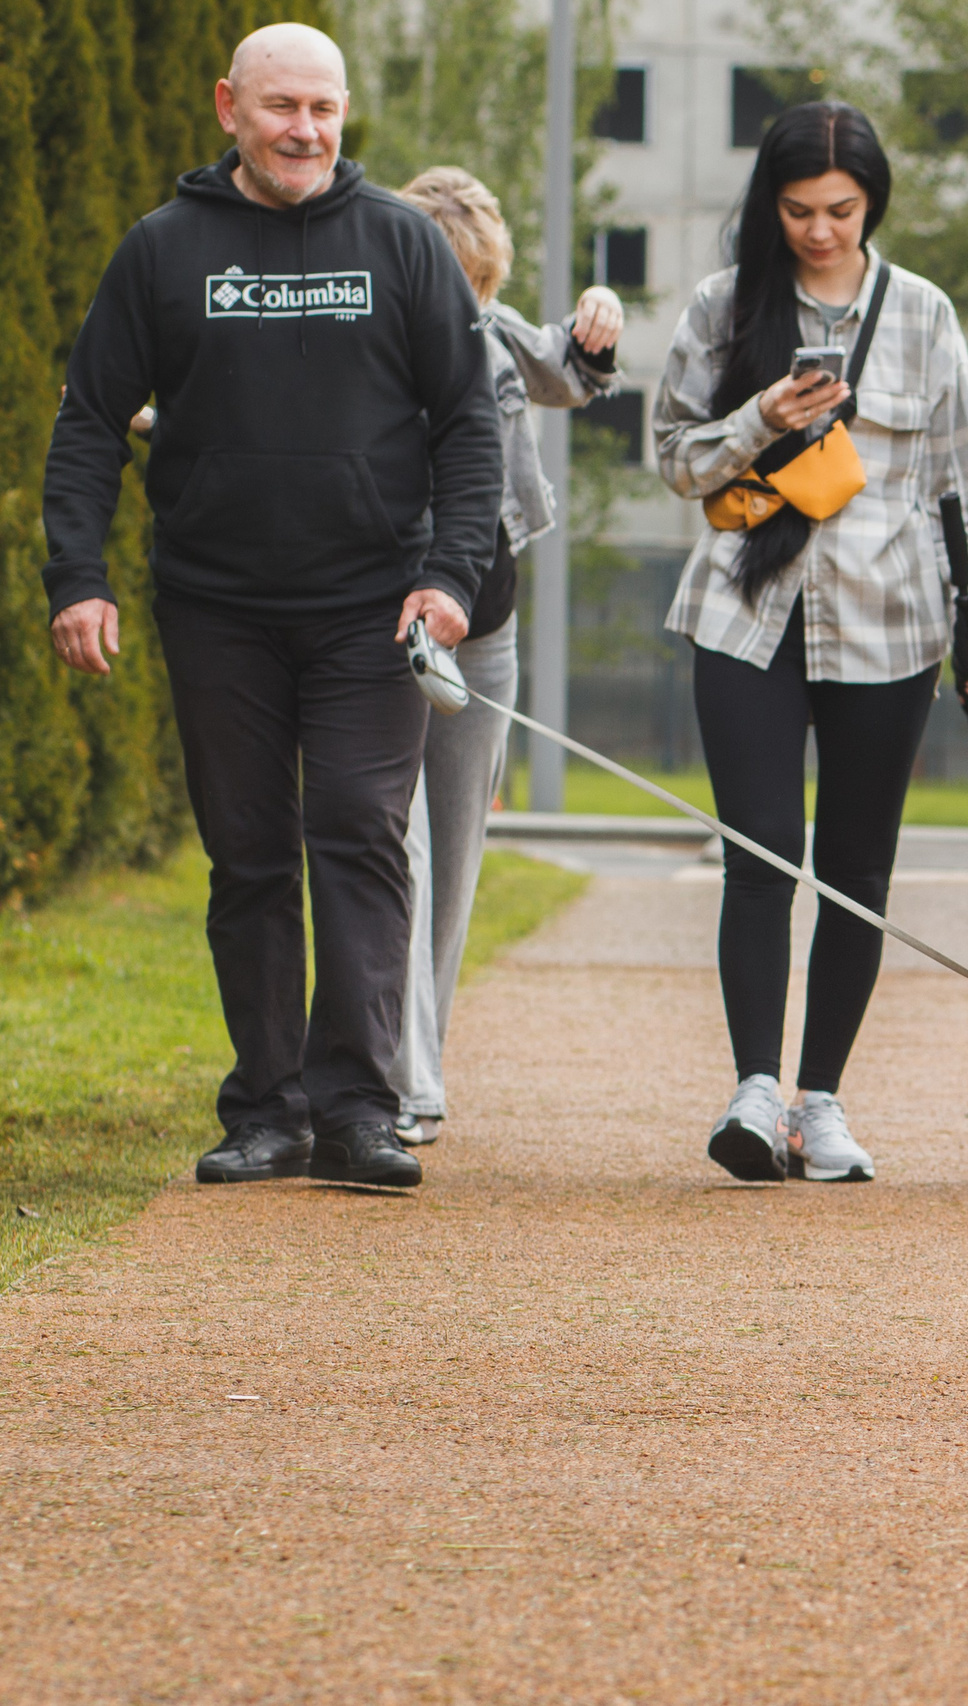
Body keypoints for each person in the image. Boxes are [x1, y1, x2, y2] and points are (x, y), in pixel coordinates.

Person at [42, 24, 501, 1190]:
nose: (305, 129)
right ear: (228, 108)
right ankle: (268, 1106)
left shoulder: (401, 243)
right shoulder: (163, 249)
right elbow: (93, 415)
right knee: (247, 854)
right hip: (217, 607)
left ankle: (358, 1108)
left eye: (324, 109)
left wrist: (447, 576)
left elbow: (469, 423)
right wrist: (77, 577)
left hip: (370, 608)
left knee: (355, 831)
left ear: (345, 116)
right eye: (282, 106)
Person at [654, 101, 968, 1184]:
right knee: (758, 855)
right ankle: (753, 1089)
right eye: (798, 209)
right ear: (771, 204)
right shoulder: (722, 306)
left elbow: (957, 487)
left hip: (891, 624)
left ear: (872, 203)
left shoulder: (924, 311)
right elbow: (672, 457)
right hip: (744, 616)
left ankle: (822, 1099)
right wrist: (760, 416)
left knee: (856, 870)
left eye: (840, 210)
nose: (818, 230)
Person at [386, 167, 623, 1149]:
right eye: (460, 288)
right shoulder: (371, 349)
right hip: (396, 622)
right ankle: (405, 1076)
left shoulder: (491, 328)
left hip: (490, 626)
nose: (474, 308)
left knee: (456, 858)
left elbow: (564, 376)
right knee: (399, 848)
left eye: (485, 288)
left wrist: (596, 329)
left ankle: (419, 1052)